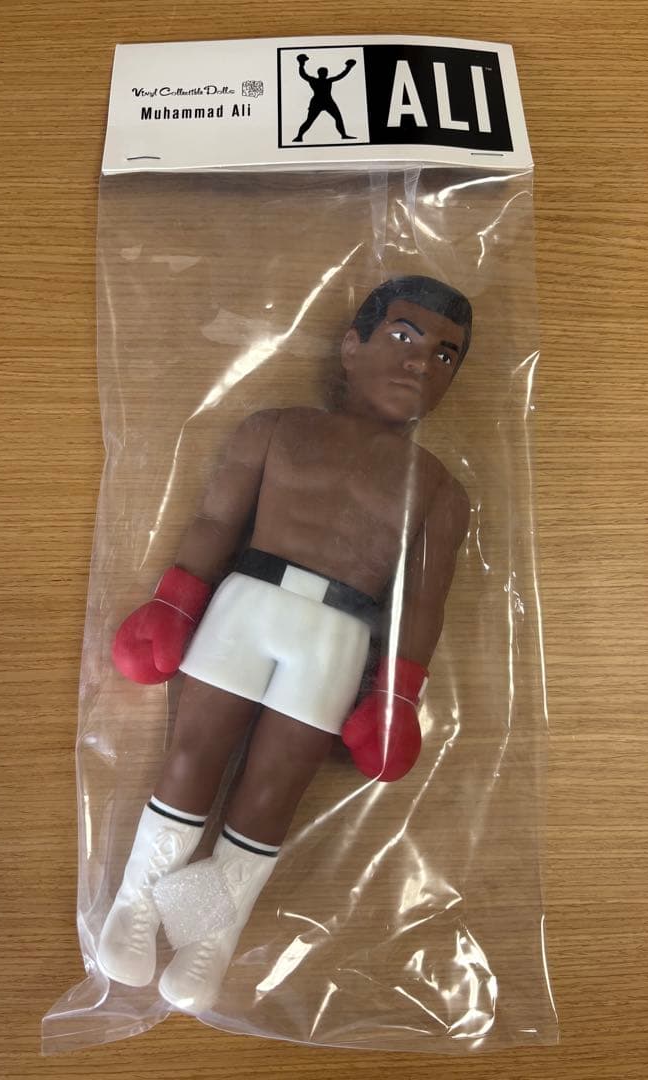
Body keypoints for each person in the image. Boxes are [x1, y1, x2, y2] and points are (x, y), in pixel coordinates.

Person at [98, 275, 473, 1014]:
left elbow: (422, 604)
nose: (420, 362)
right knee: (192, 757)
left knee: (273, 792)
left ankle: (208, 940)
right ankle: (134, 908)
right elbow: (215, 523)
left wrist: (397, 695)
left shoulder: (440, 492)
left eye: (444, 355)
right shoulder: (273, 429)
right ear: (351, 346)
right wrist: (173, 604)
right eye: (403, 336)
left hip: (338, 641)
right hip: (245, 607)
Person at [293, 53, 357, 142]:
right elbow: (303, 74)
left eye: (326, 72)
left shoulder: (320, 80)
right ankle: (299, 136)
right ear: (321, 73)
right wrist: (301, 64)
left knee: (337, 118)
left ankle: (343, 135)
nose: (326, 74)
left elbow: (303, 74)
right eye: (325, 72)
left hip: (326, 102)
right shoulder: (319, 80)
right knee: (310, 121)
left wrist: (348, 67)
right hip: (320, 102)